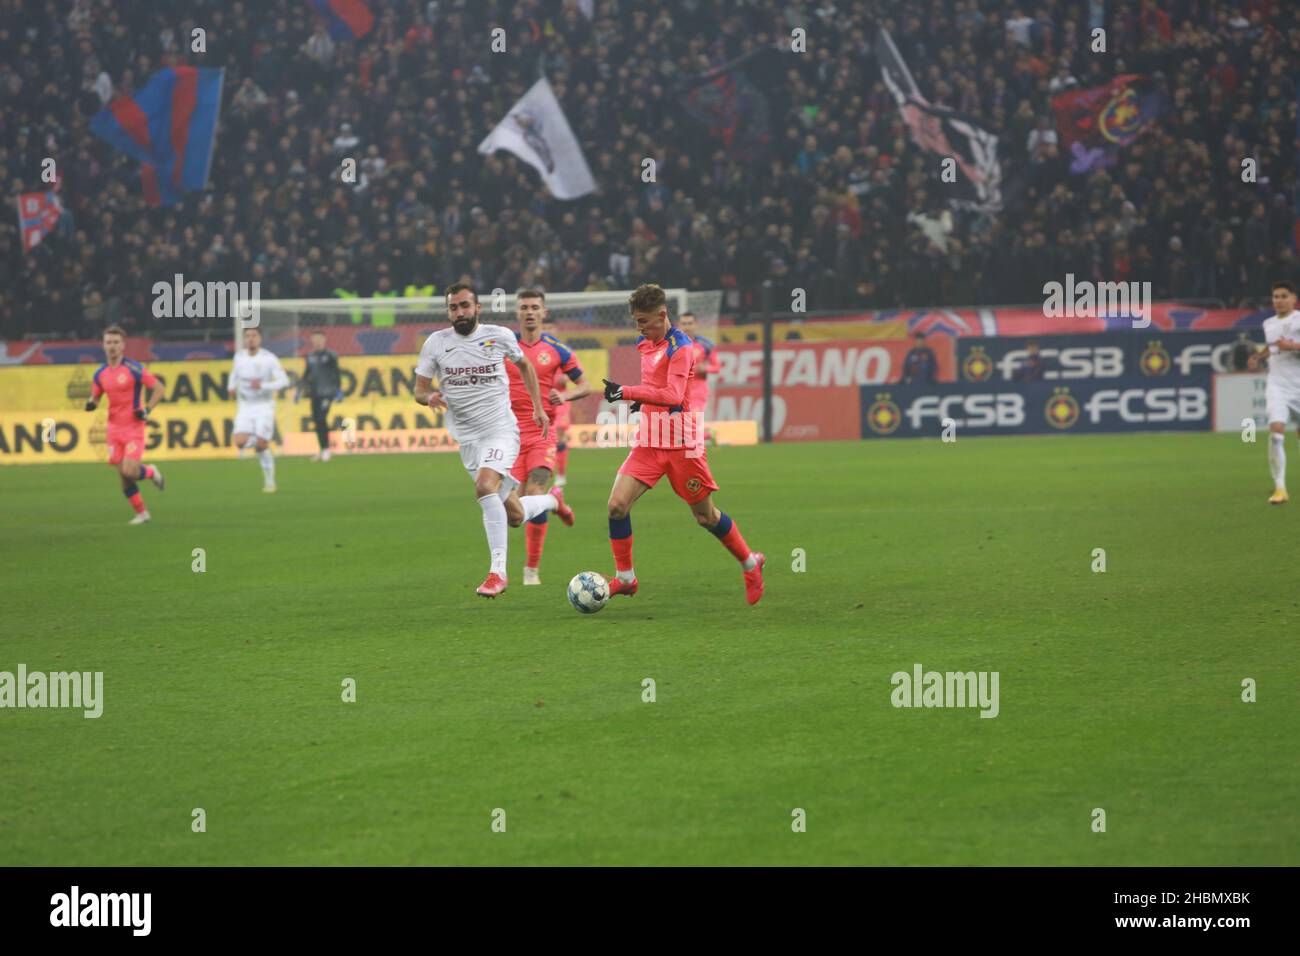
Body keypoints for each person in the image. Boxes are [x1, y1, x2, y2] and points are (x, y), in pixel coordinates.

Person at [600, 284, 765, 605]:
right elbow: (655, 384)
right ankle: (625, 578)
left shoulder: (682, 347)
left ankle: (749, 563)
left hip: (682, 444)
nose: (639, 328)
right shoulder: (644, 343)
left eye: (644, 321)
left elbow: (675, 396)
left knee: (706, 517)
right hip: (649, 440)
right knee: (616, 506)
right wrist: (642, 404)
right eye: (636, 321)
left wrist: (627, 393)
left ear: (662, 315)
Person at [412, 283, 563, 597]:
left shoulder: (499, 335)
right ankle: (553, 501)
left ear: (477, 307)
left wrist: (538, 407)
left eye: (465, 305)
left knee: (484, 486)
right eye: (454, 307)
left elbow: (525, 366)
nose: (460, 312)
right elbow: (419, 390)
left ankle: (498, 573)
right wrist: (430, 397)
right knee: (516, 516)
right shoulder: (436, 343)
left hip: (500, 431)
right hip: (467, 441)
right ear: (448, 311)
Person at [506, 290, 588, 585]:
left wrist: (564, 395)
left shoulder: (557, 350)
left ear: (544, 312)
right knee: (512, 512)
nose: (529, 312)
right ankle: (556, 502)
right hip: (509, 437)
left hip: (542, 433)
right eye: (524, 307)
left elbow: (585, 385)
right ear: (517, 313)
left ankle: (531, 571)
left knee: (532, 495)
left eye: (535, 307)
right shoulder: (504, 346)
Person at [84, 325, 165, 524]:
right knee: (124, 477)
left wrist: (147, 410)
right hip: (113, 429)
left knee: (130, 470)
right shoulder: (100, 374)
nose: (112, 346)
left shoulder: (134, 368)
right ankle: (142, 513)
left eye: (116, 342)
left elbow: (159, 388)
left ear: (123, 345)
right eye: (108, 342)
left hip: (133, 427)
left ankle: (151, 472)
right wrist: (91, 404)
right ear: (103, 345)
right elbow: (95, 397)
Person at [1246, 280, 1300, 504]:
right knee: (1276, 430)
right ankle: (1280, 488)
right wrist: (1259, 356)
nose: (1279, 300)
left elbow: (1288, 346)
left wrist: (1294, 347)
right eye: (1276, 296)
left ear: (1293, 298)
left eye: (1283, 296)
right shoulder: (1268, 323)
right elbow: (1272, 346)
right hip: (1277, 385)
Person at [229, 327, 290, 492]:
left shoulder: (269, 358)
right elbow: (234, 375)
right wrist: (231, 387)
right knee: (240, 443)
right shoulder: (239, 357)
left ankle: (270, 481)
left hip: (264, 406)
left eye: (254, 335)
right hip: (245, 406)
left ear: (260, 338)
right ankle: (262, 443)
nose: (250, 339)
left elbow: (284, 381)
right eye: (247, 336)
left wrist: (263, 385)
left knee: (261, 445)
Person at [295, 329, 342, 461]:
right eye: (314, 339)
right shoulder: (310, 356)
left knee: (322, 419)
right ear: (312, 341)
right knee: (316, 421)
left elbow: (336, 373)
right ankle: (322, 450)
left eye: (319, 339)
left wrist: (338, 390)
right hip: (314, 393)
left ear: (324, 340)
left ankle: (327, 449)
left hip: (327, 393)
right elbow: (306, 375)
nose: (317, 342)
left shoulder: (331, 355)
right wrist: (299, 390)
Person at [677, 310, 721, 421]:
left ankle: (705, 435)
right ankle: (708, 435)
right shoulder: (672, 345)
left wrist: (705, 368)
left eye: (690, 323)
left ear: (696, 324)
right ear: (679, 325)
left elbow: (717, 367)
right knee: (679, 423)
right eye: (684, 324)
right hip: (678, 389)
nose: (687, 327)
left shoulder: (706, 344)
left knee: (693, 420)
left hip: (698, 389)